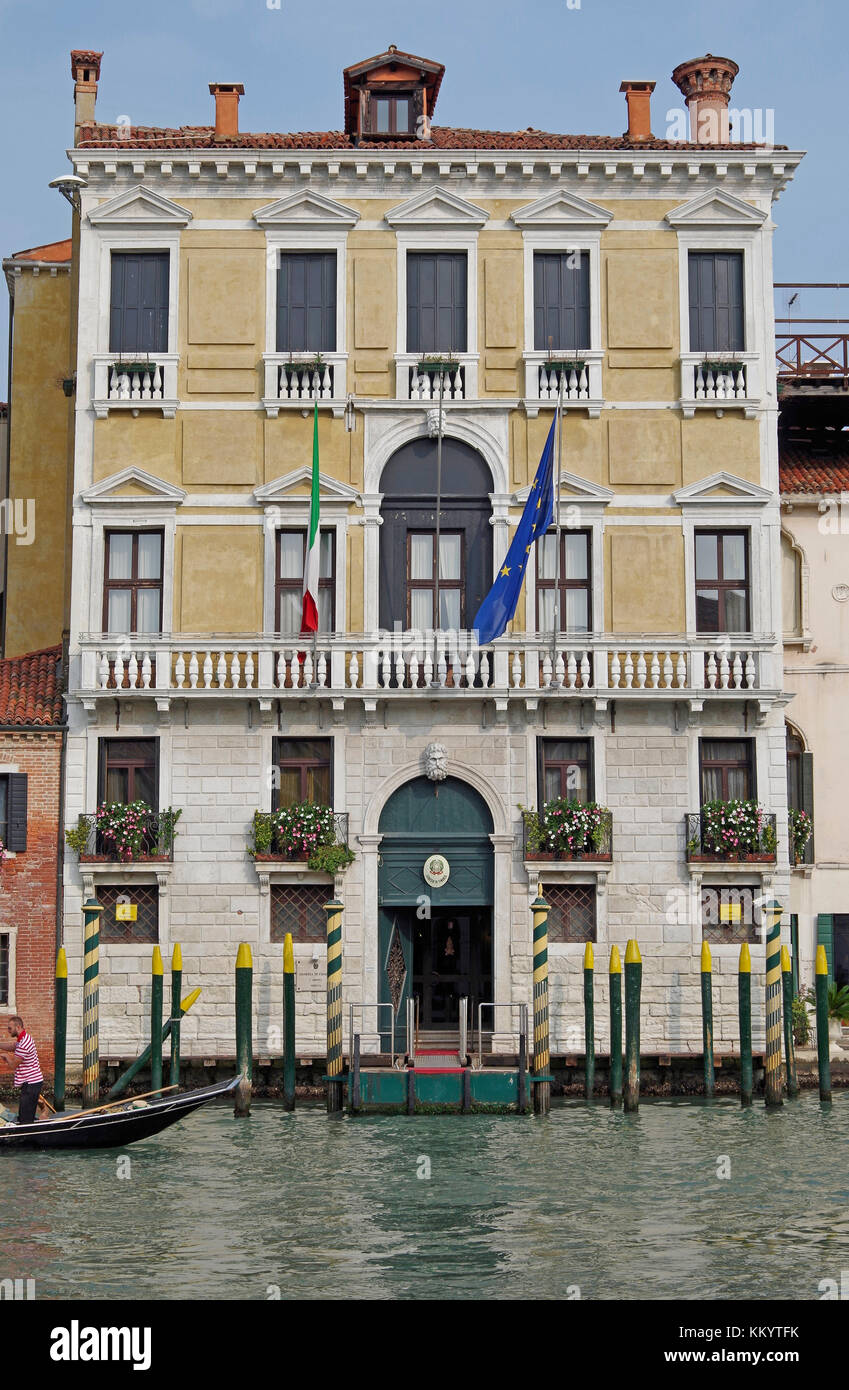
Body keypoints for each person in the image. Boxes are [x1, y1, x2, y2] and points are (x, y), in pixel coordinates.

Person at [0, 1016, 44, 1124]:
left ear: (18, 1027)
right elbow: (12, 1046)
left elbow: (14, 1065)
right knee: (25, 1114)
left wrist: (6, 1057)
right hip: (31, 1082)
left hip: (31, 1084)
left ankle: (28, 1137)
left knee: (25, 1119)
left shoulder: (24, 1044)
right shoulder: (24, 1038)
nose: (8, 1031)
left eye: (10, 1028)